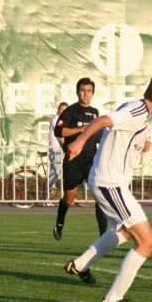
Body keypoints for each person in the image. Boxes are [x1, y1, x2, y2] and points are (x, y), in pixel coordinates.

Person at [62, 71, 152, 302]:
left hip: (112, 183)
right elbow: (102, 122)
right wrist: (79, 142)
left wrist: (141, 145)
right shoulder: (136, 111)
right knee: (148, 242)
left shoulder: (139, 112)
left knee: (125, 232)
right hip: (110, 183)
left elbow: (117, 133)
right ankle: (112, 300)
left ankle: (80, 265)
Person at [53, 77, 107, 240]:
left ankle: (103, 236)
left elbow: (96, 135)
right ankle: (59, 223)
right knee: (69, 199)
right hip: (73, 161)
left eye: (89, 91)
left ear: (93, 93)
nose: (86, 94)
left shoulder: (95, 112)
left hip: (91, 160)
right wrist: (81, 129)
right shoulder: (70, 111)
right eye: (83, 90)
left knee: (100, 196)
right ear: (78, 92)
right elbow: (59, 131)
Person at [47, 101, 69, 197]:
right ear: (58, 110)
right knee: (55, 174)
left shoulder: (62, 121)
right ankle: (45, 198)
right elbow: (60, 136)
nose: (64, 111)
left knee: (56, 174)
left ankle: (49, 196)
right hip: (56, 151)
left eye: (66, 110)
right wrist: (67, 146)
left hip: (58, 151)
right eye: (62, 109)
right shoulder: (56, 120)